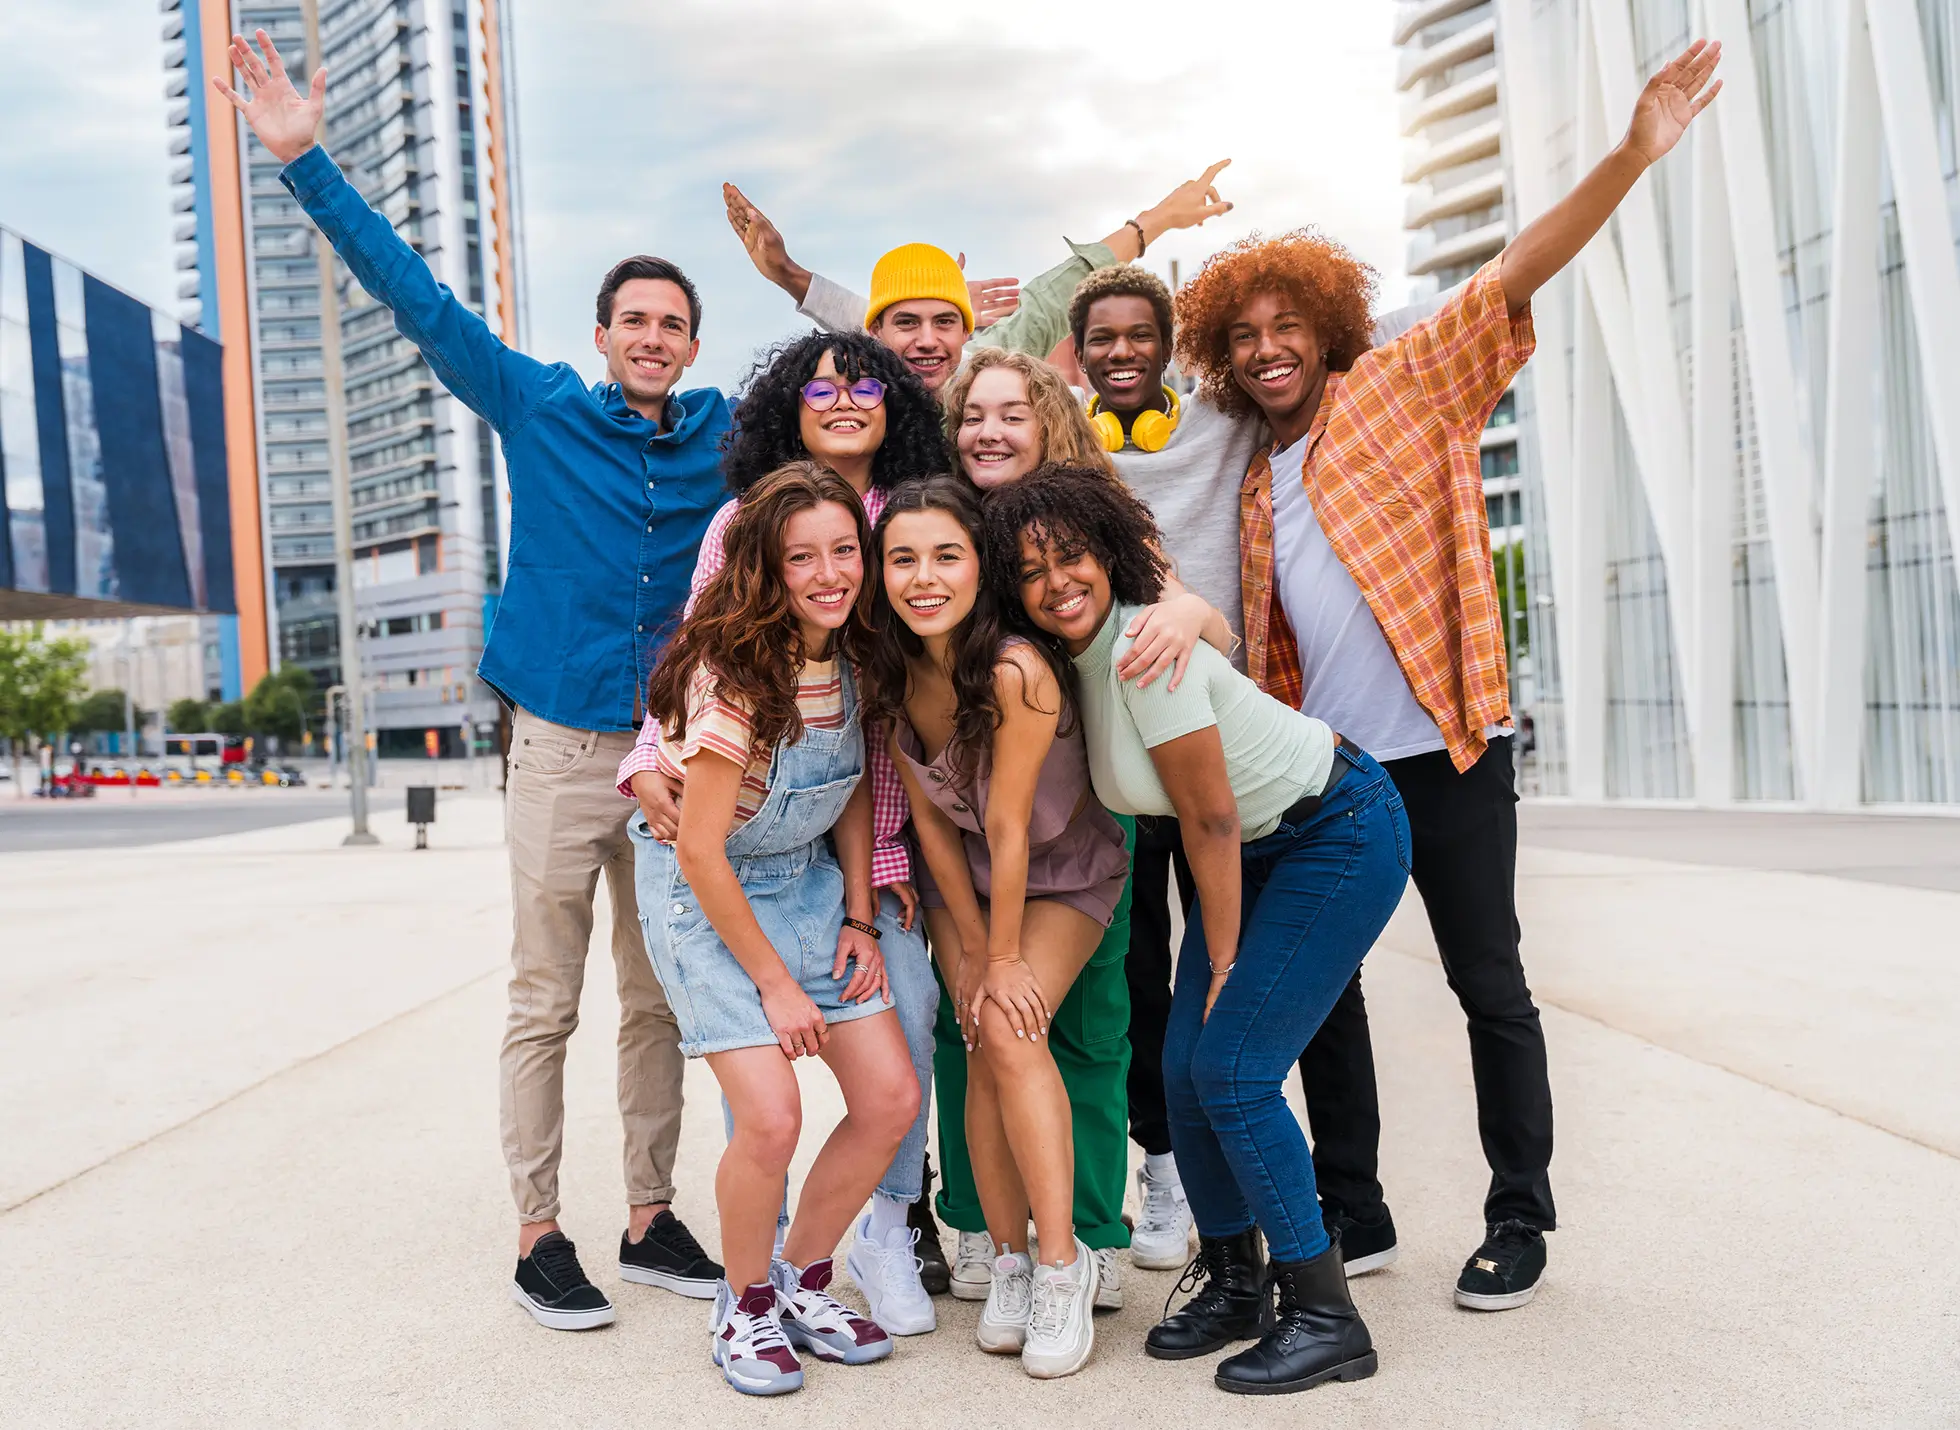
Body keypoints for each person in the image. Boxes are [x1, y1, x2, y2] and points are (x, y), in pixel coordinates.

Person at [1171, 41, 1725, 1310]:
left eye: (1285, 325)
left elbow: (1514, 269)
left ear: (1326, 329)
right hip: (1338, 773)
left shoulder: (1404, 386)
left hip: (1451, 747)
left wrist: (1632, 153)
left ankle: (1517, 1217)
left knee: (1491, 981)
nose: (1266, 349)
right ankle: (1353, 1212)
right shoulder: (1254, 482)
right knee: (1326, 997)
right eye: (1243, 335)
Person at [214, 30, 725, 1329]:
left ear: (692, 342)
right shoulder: (541, 403)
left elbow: (865, 382)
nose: (654, 339)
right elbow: (420, 302)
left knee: (658, 997)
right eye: (637, 321)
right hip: (559, 745)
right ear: (605, 333)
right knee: (544, 998)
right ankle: (539, 1229)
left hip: (676, 756)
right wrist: (302, 160)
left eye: (675, 324)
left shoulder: (731, 434)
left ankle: (654, 1216)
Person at [988, 463, 1410, 1396]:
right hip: (1262, 850)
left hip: (1333, 829)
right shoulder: (1076, 660)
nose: (1058, 580)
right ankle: (1233, 1285)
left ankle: (1326, 1314)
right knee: (1180, 1069)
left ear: (1108, 552)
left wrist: (1221, 961)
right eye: (1030, 570)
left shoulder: (1141, 646)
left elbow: (1210, 820)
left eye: (1073, 556)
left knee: (1234, 1068)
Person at [621, 330, 950, 1334]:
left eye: (843, 551)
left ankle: (808, 1276)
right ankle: (747, 1299)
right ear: (765, 562)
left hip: (806, 875)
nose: (828, 571)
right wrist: (770, 977)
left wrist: (855, 913)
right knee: (769, 1111)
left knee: (892, 1091)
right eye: (802, 557)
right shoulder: (737, 675)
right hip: (704, 886)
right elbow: (699, 847)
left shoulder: (853, 650)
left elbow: (848, 785)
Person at [867, 477, 1133, 1378]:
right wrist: (974, 955)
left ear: (981, 566)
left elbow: (1012, 825)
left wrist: (1005, 958)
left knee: (1014, 1030)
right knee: (979, 1032)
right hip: (966, 888)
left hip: (1061, 871)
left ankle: (1064, 1262)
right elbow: (936, 823)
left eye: (947, 555)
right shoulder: (896, 667)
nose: (924, 577)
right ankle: (1009, 1258)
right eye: (903, 558)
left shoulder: (1015, 668)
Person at [722, 162, 1234, 396]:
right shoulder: (851, 402)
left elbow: (1062, 287)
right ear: (873, 334)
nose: (928, 341)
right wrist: (788, 275)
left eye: (946, 321)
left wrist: (1158, 218)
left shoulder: (985, 368)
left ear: (967, 333)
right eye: (907, 322)